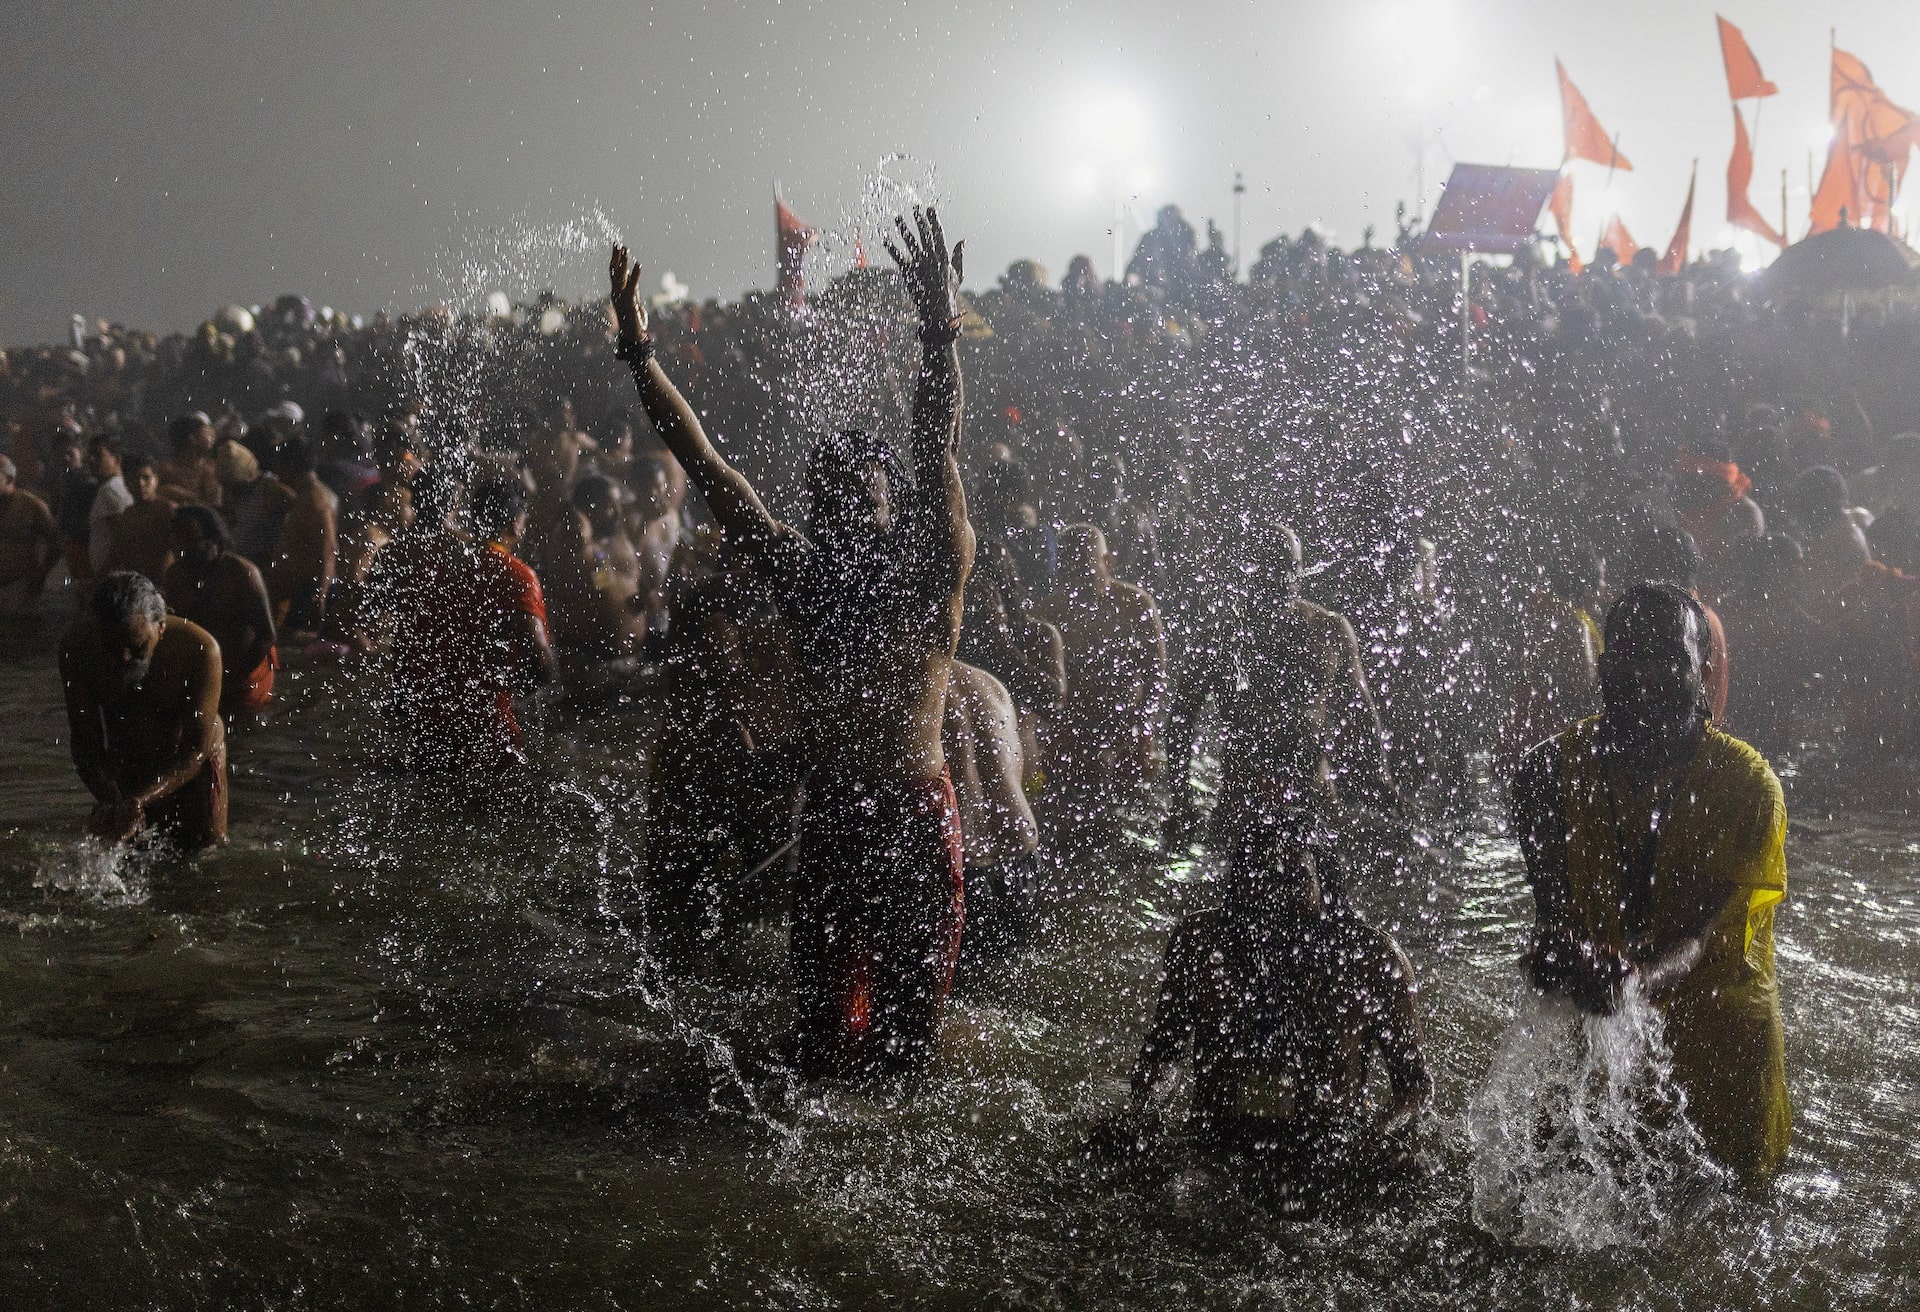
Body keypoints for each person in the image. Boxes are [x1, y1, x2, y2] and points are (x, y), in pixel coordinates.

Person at [607, 209, 972, 1079]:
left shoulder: (931, 571)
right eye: (837, 489)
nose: (855, 499)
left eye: (869, 488)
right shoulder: (805, 578)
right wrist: (641, 360)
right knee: (820, 1050)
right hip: (842, 817)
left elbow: (936, 440)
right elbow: (706, 468)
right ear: (818, 509)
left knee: (905, 1055)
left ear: (895, 506)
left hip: (917, 815)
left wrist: (937, 327)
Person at [1512, 582, 1790, 1184]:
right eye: (1629, 658)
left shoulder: (1744, 787)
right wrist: (1558, 957)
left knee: (1728, 1239)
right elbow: (1555, 919)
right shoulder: (1545, 775)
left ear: (1703, 669)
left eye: (1669, 658)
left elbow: (1693, 939)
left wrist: (1632, 977)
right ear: (1603, 666)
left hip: (1718, 1043)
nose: (1645, 678)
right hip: (1603, 1029)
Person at [1111, 813, 1431, 1217]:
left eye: (1294, 878)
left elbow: (1415, 1088)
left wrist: (1374, 1141)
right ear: (1236, 885)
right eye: (1258, 877)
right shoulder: (1199, 944)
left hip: (1327, 1148)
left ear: (1324, 885)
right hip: (1216, 1144)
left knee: (1410, 1174)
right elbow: (1163, 1055)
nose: (1273, 894)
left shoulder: (1371, 959)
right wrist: (1144, 1115)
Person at [1164, 524, 1398, 858]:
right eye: (1268, 568)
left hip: (1313, 795)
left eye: (1288, 568)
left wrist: (1379, 780)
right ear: (1247, 572)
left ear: (1301, 572)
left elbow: (1360, 711)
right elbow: (1180, 719)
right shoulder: (1220, 639)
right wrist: (1181, 798)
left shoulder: (1328, 629)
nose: (1279, 579)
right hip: (1241, 801)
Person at [374, 475, 557, 772]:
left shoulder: (439, 567)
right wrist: (518, 687)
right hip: (488, 733)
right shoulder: (516, 575)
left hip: (429, 731)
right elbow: (541, 663)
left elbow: (406, 647)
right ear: (515, 524)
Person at [58, 570, 227, 850]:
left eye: (137, 648)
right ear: (97, 631)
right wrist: (113, 800)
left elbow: (196, 749)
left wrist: (138, 800)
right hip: (128, 757)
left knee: (204, 852)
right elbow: (85, 743)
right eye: (112, 647)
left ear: (161, 627)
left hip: (192, 761)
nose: (124, 659)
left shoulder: (200, 649)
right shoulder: (77, 649)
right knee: (129, 855)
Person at [1036, 523, 1168, 816]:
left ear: (1108, 562)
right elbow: (1038, 687)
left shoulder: (1136, 604)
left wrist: (1142, 729)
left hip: (1126, 720)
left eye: (1084, 564)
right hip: (1073, 723)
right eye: (1069, 566)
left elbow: (1156, 676)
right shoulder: (1051, 611)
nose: (1076, 576)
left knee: (1128, 807)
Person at [943, 658, 1042, 982]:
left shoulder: (915, 691)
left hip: (964, 869)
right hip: (1021, 864)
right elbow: (1026, 771)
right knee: (997, 989)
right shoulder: (991, 685)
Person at [164, 505, 278, 722]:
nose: (182, 548)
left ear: (213, 538)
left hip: (249, 670)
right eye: (177, 540)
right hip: (206, 668)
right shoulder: (175, 575)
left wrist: (232, 676)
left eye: (190, 539)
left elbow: (267, 635)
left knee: (246, 727)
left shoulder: (242, 573)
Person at [265, 436, 339, 634]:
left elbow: (328, 549)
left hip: (309, 594)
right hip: (302, 591)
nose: (276, 470)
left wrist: (320, 594)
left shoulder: (315, 500)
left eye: (278, 464)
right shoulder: (307, 495)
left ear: (290, 465)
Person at [101, 455, 179, 585]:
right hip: (137, 586)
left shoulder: (168, 510)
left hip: (165, 586)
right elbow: (116, 553)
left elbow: (177, 550)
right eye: (134, 478)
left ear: (156, 480)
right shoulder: (128, 514)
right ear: (126, 483)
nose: (140, 483)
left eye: (146, 478)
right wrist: (97, 581)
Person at [0, 454, 59, 606]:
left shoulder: (32, 506)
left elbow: (56, 544)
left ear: (9, 479)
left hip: (20, 585)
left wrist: (40, 574)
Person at [85, 434, 134, 576]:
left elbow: (122, 539)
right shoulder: (116, 486)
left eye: (98, 455)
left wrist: (100, 576)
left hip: (113, 576)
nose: (91, 460)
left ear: (117, 459)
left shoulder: (111, 490)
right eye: (90, 455)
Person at [157, 411, 223, 508]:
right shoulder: (166, 470)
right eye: (207, 432)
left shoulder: (212, 468)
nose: (213, 436)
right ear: (192, 438)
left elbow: (216, 506)